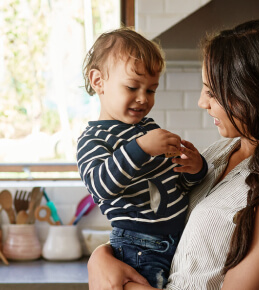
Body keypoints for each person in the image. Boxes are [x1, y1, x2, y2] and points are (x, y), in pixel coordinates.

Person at [87, 19, 259, 290]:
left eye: (213, 92)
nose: (202, 102)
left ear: (254, 94)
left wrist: (123, 285)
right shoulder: (220, 152)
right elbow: (158, 230)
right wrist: (101, 256)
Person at [77, 27, 208, 289]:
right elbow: (102, 186)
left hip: (176, 243)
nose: (142, 99)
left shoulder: (148, 130)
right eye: (132, 87)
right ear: (98, 81)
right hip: (137, 248)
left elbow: (178, 187)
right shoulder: (93, 140)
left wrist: (195, 169)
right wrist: (141, 148)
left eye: (151, 90)